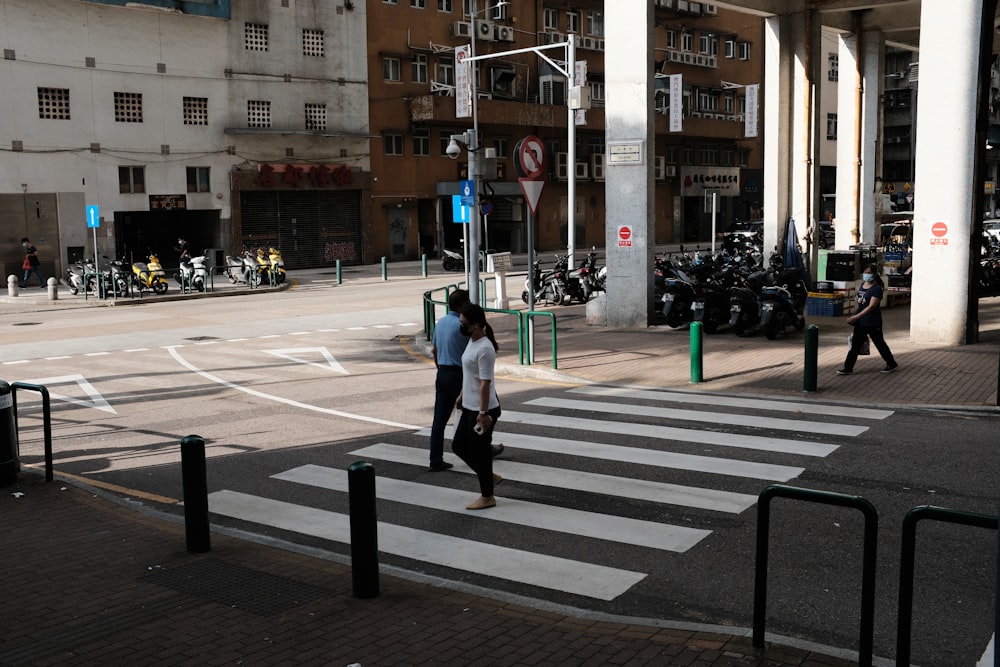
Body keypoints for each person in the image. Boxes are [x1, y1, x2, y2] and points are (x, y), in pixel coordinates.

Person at [451, 303, 502, 510]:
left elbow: (485, 382)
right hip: (469, 406)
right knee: (458, 446)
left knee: (480, 452)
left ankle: (487, 495)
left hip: (483, 409)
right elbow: (469, 374)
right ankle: (488, 477)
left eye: (465, 324)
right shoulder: (471, 341)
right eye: (460, 323)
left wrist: (482, 413)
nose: (462, 327)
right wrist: (462, 395)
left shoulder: (485, 348)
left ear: (478, 324)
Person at [428, 289, 470, 471]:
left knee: (439, 420)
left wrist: (440, 368)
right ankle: (481, 450)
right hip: (459, 374)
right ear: (461, 305)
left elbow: (435, 350)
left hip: (443, 373)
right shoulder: (462, 326)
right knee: (473, 414)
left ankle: (435, 459)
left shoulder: (441, 323)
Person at [836, 264, 899, 375]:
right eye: (865, 272)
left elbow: (871, 306)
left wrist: (857, 316)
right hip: (861, 322)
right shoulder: (863, 284)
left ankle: (891, 363)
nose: (866, 275)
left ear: (874, 274)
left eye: (869, 273)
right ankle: (848, 367)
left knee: (880, 343)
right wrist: (856, 316)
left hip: (872, 322)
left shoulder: (877, 289)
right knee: (855, 345)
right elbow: (861, 303)